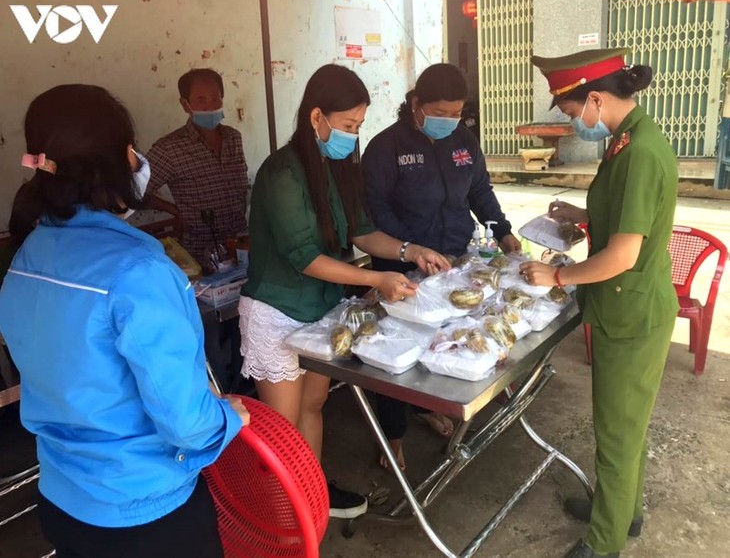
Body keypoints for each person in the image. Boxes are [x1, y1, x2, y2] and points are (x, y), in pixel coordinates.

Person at [0, 84, 250, 558]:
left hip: (62, 501)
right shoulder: (139, 272)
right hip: (145, 515)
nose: (138, 160)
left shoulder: (27, 255)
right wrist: (228, 417)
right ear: (115, 161)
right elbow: (188, 425)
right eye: (132, 149)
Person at [238, 64, 451, 519]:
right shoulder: (282, 172)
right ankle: (282, 515)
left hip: (319, 309)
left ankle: (310, 492)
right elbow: (305, 257)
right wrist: (376, 280)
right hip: (278, 309)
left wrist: (412, 251)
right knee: (282, 426)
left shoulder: (335, 168)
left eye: (358, 126)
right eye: (348, 125)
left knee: (314, 405)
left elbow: (363, 232)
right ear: (317, 116)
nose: (353, 136)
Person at [520, 49, 679, 558]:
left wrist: (557, 274)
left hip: (631, 313)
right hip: (623, 308)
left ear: (594, 97)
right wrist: (580, 213)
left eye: (572, 114)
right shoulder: (628, 140)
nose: (574, 124)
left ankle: (605, 541)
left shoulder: (639, 152)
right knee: (623, 424)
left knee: (617, 433)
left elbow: (623, 255)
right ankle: (622, 510)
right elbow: (626, 215)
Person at [361, 63, 521, 470]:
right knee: (397, 351)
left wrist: (502, 231)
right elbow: (374, 212)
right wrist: (413, 250)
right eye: (441, 112)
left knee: (448, 337)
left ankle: (433, 407)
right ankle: (393, 435)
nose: (450, 121)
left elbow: (480, 190)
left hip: (455, 260)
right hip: (404, 266)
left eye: (456, 112)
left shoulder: (463, 140)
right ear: (416, 104)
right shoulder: (386, 147)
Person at [145, 68, 250, 270]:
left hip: (239, 249)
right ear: (185, 104)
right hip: (200, 257)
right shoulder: (170, 148)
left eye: (215, 99)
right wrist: (175, 211)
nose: (210, 106)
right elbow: (135, 192)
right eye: (201, 100)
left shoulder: (233, 138)